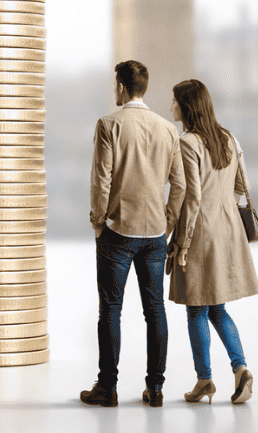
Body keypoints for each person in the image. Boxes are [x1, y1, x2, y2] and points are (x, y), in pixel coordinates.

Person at [80, 60, 185, 408]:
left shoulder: (110, 124)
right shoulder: (168, 129)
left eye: (115, 84)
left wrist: (98, 221)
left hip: (117, 232)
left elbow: (101, 180)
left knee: (110, 309)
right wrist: (167, 222)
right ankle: (155, 389)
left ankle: (107, 388)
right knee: (155, 310)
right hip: (154, 234)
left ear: (121, 87)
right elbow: (180, 185)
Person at [167, 79, 258, 404]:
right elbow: (242, 186)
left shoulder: (187, 142)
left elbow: (191, 198)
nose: (171, 106)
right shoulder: (229, 138)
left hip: (200, 234)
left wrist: (181, 241)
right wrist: (224, 211)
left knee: (196, 308)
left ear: (187, 107)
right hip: (228, 230)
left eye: (175, 101)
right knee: (217, 307)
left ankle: (204, 379)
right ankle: (241, 369)